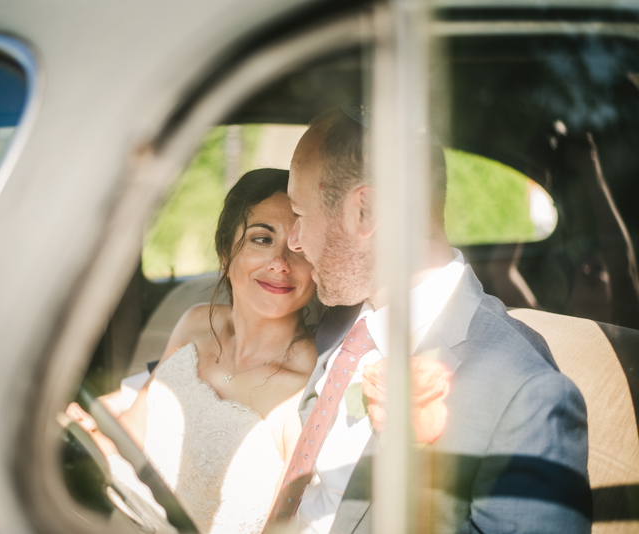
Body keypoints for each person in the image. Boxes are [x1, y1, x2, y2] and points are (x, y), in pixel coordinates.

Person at [264, 107, 591, 533]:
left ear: (365, 212)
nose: (295, 242)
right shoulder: (338, 321)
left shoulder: (525, 397)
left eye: (300, 215)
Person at [69, 168, 319, 534]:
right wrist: (90, 428)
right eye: (262, 239)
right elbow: (132, 435)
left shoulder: (307, 386)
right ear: (224, 253)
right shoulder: (196, 323)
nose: (280, 263)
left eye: (298, 246)